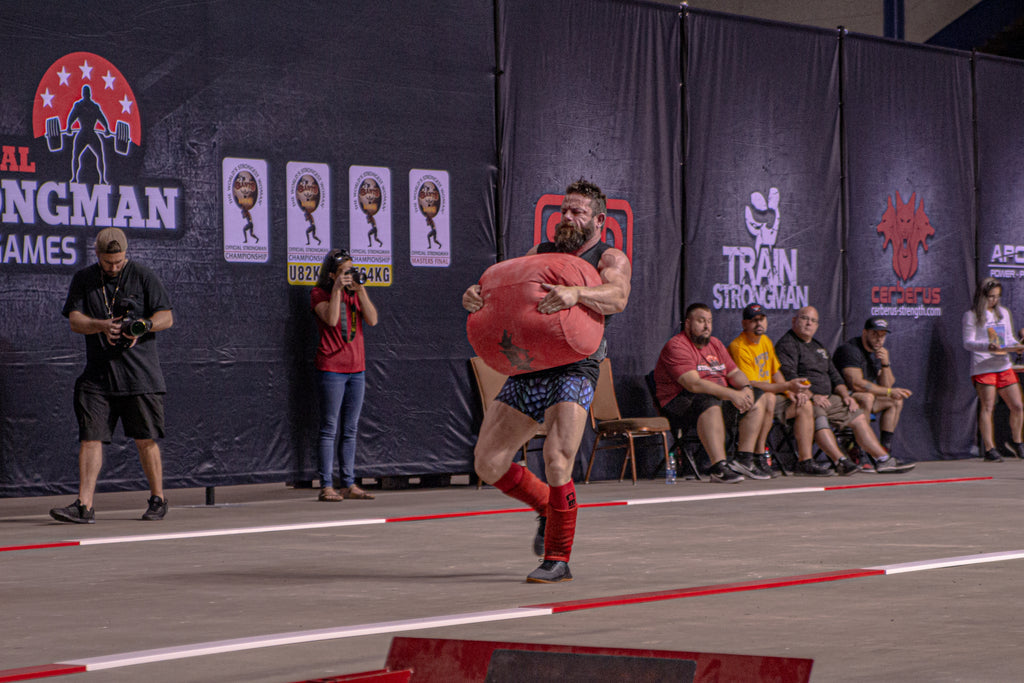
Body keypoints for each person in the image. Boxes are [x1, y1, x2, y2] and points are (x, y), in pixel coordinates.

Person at [462, 178, 631, 584]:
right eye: (565, 210)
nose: (568, 217)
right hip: (531, 363)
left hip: (577, 365)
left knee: (557, 457)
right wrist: (477, 295)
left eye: (578, 212)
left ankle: (558, 557)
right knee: (487, 461)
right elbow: (510, 293)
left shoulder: (609, 256)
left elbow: (618, 297)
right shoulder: (540, 253)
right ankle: (544, 505)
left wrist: (578, 294)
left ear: (599, 220)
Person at [50, 228, 174, 524]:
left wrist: (143, 325)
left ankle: (158, 498)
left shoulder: (143, 276)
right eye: (108, 262)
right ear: (97, 255)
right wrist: (102, 325)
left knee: (145, 439)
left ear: (126, 254)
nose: (114, 267)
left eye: (118, 262)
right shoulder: (85, 279)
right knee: (90, 438)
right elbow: (75, 321)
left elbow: (166, 317)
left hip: (140, 376)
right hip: (98, 378)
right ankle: (84, 505)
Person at [775, 307, 914, 473]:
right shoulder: (787, 345)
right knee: (818, 411)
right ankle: (841, 460)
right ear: (794, 321)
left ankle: (883, 459)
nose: (808, 323)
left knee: (856, 414)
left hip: (828, 397)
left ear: (818, 325)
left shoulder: (817, 346)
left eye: (813, 321)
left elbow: (835, 376)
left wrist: (845, 395)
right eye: (804, 318)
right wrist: (812, 396)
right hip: (803, 399)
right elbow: (790, 376)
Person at [652, 303, 770, 483]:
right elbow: (693, 384)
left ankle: (744, 459)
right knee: (708, 400)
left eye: (709, 321)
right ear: (688, 323)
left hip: (717, 399)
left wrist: (747, 389)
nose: (707, 326)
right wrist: (731, 394)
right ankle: (719, 467)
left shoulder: (715, 344)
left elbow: (734, 373)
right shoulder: (677, 346)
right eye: (701, 321)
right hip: (680, 405)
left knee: (759, 397)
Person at [727, 303, 838, 477]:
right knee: (769, 398)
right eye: (753, 320)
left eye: (762, 319)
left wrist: (790, 393)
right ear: (744, 324)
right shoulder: (739, 346)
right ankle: (757, 455)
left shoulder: (765, 341)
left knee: (805, 405)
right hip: (750, 398)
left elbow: (775, 372)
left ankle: (805, 462)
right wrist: (786, 386)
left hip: (771, 395)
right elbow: (751, 384)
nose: (759, 324)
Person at [312, 249, 379, 500]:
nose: (349, 276)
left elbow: (372, 320)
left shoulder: (356, 293)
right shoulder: (319, 293)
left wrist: (360, 290)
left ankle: (349, 483)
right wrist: (337, 290)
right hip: (332, 369)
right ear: (332, 275)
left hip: (356, 369)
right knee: (330, 428)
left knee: (350, 428)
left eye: (352, 271)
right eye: (344, 272)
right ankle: (326, 485)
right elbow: (330, 320)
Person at [962, 277, 1024, 461]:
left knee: (1018, 405)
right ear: (982, 296)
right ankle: (990, 448)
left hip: (1003, 364)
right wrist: (987, 346)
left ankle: (1018, 441)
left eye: (997, 297)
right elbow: (968, 343)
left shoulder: (1003, 312)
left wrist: (1017, 346)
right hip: (984, 365)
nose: (994, 300)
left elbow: (1009, 338)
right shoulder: (972, 315)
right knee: (988, 406)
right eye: (990, 297)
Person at [833, 317, 912, 455]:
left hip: (861, 399)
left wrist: (885, 364)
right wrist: (888, 391)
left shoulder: (877, 353)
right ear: (865, 333)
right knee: (867, 397)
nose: (879, 339)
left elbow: (887, 385)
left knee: (896, 401)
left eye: (882, 335)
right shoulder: (849, 350)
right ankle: (857, 450)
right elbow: (857, 384)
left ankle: (884, 451)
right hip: (842, 399)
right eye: (875, 334)